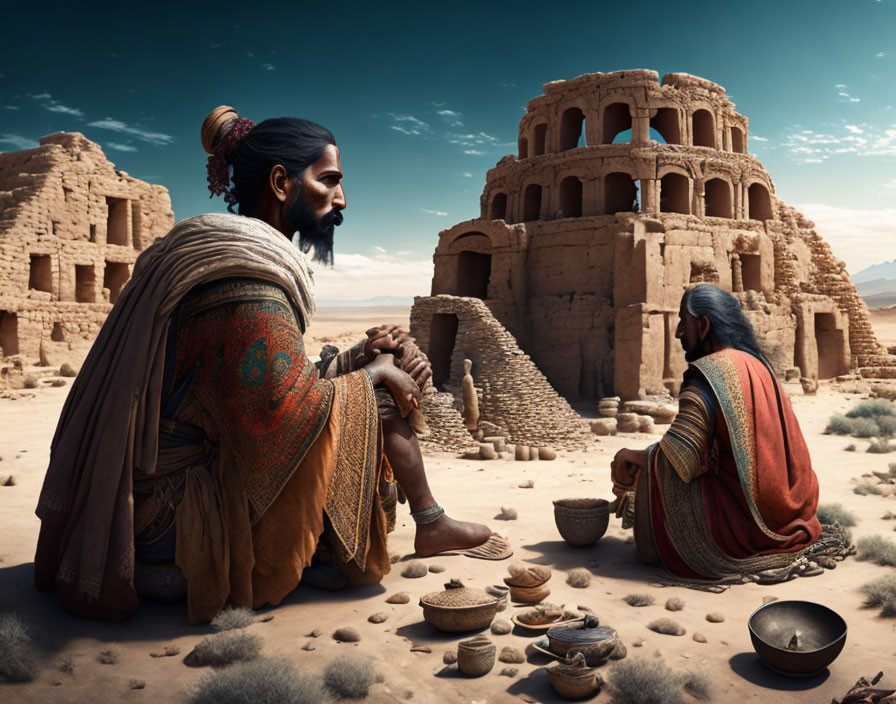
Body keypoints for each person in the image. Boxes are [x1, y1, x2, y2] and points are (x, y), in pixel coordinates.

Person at [34, 106, 492, 622]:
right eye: (329, 181)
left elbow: (261, 383)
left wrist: (361, 357)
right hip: (173, 516)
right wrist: (375, 374)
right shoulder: (246, 286)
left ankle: (404, 528)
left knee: (373, 375)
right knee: (379, 401)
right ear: (280, 182)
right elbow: (280, 410)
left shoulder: (229, 263)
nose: (342, 200)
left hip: (175, 482)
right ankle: (404, 530)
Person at [610, 284, 822, 582]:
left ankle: (654, 552)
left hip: (743, 526)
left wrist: (633, 457)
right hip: (788, 514)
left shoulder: (707, 373)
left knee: (652, 473)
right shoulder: (758, 366)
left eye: (684, 321)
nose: (678, 332)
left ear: (703, 324)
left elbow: (681, 459)